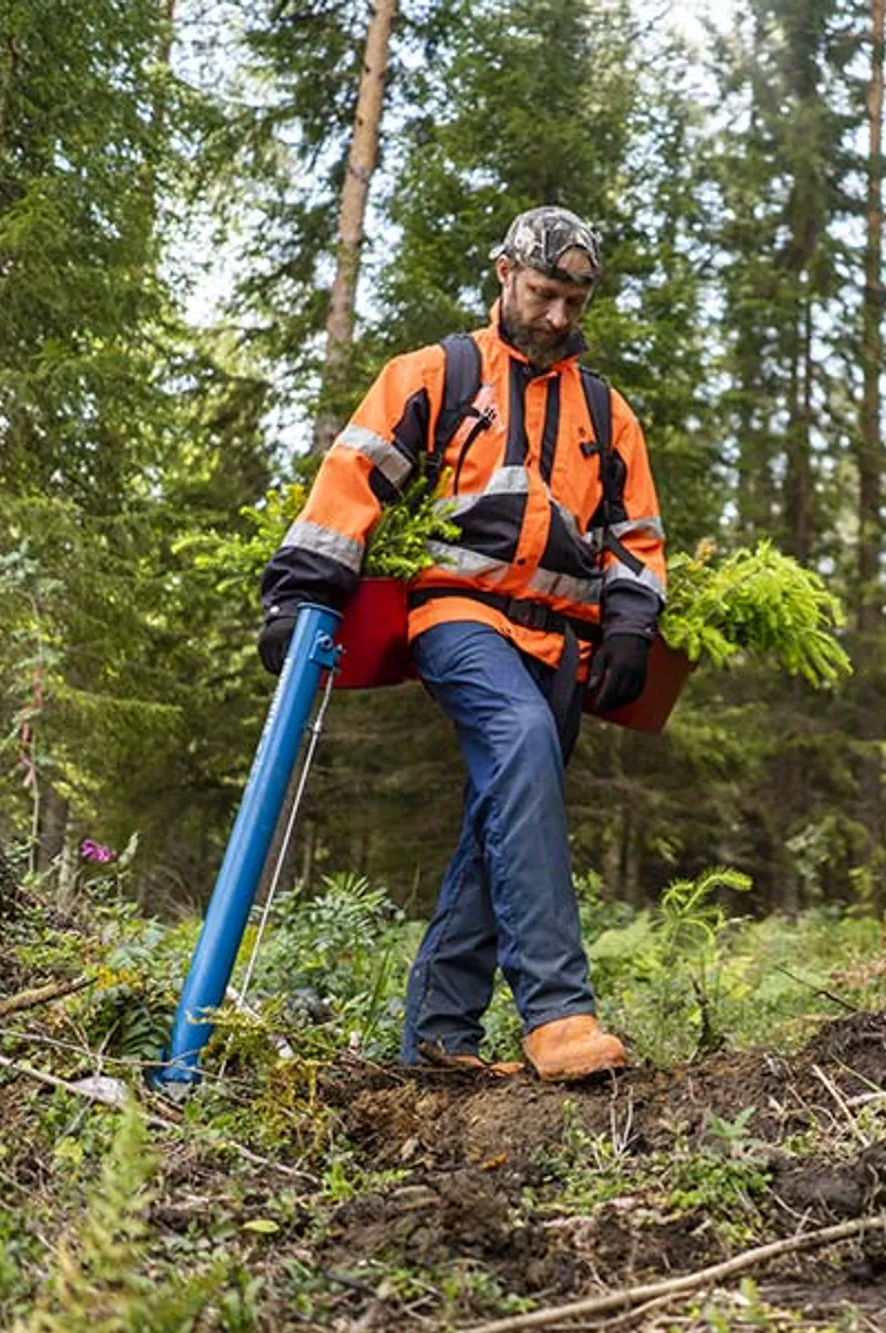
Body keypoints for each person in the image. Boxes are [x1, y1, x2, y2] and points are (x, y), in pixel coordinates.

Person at [255, 206, 664, 1081]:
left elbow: (636, 536)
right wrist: (298, 593)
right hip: (459, 615)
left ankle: (439, 1037)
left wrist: (632, 624)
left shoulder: (607, 412)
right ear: (505, 273)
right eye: (547, 293)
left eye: (576, 301)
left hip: (562, 645)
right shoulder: (438, 374)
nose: (559, 317)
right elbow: (353, 479)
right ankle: (557, 1010)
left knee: (506, 814)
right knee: (517, 746)